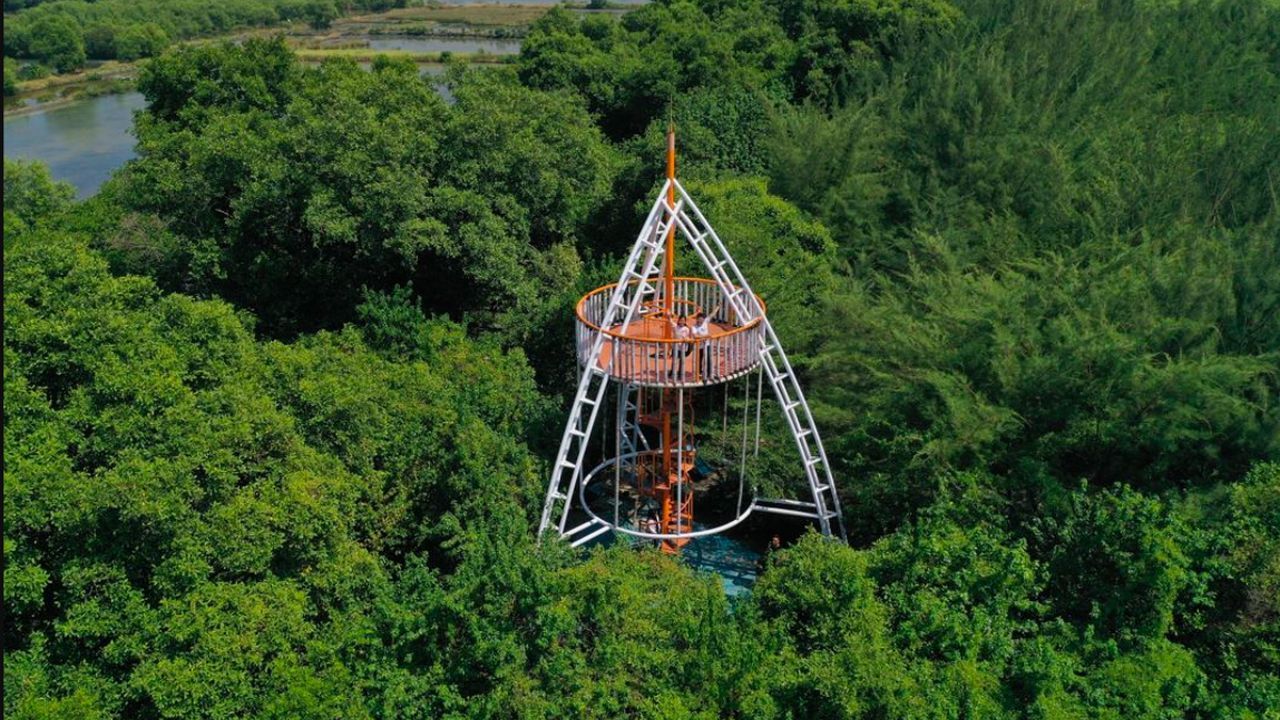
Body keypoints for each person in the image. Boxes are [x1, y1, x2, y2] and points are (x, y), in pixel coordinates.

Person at [692, 307, 718, 379]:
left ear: (703, 319)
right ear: (697, 319)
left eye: (701, 319)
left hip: (707, 344)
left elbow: (712, 314)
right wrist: (705, 336)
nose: (700, 321)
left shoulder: (705, 322)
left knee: (708, 358)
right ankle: (699, 372)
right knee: (700, 359)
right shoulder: (694, 327)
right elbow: (695, 336)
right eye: (699, 319)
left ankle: (709, 373)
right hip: (699, 346)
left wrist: (718, 307)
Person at [666, 315, 692, 381]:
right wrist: (669, 316)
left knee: (681, 361)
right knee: (674, 360)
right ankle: (672, 372)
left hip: (683, 347)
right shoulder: (676, 327)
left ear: (685, 321)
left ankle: (680, 374)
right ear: (679, 320)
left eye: (683, 320)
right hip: (676, 347)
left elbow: (689, 337)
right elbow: (671, 322)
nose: (682, 321)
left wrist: (687, 339)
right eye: (681, 320)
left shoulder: (686, 329)